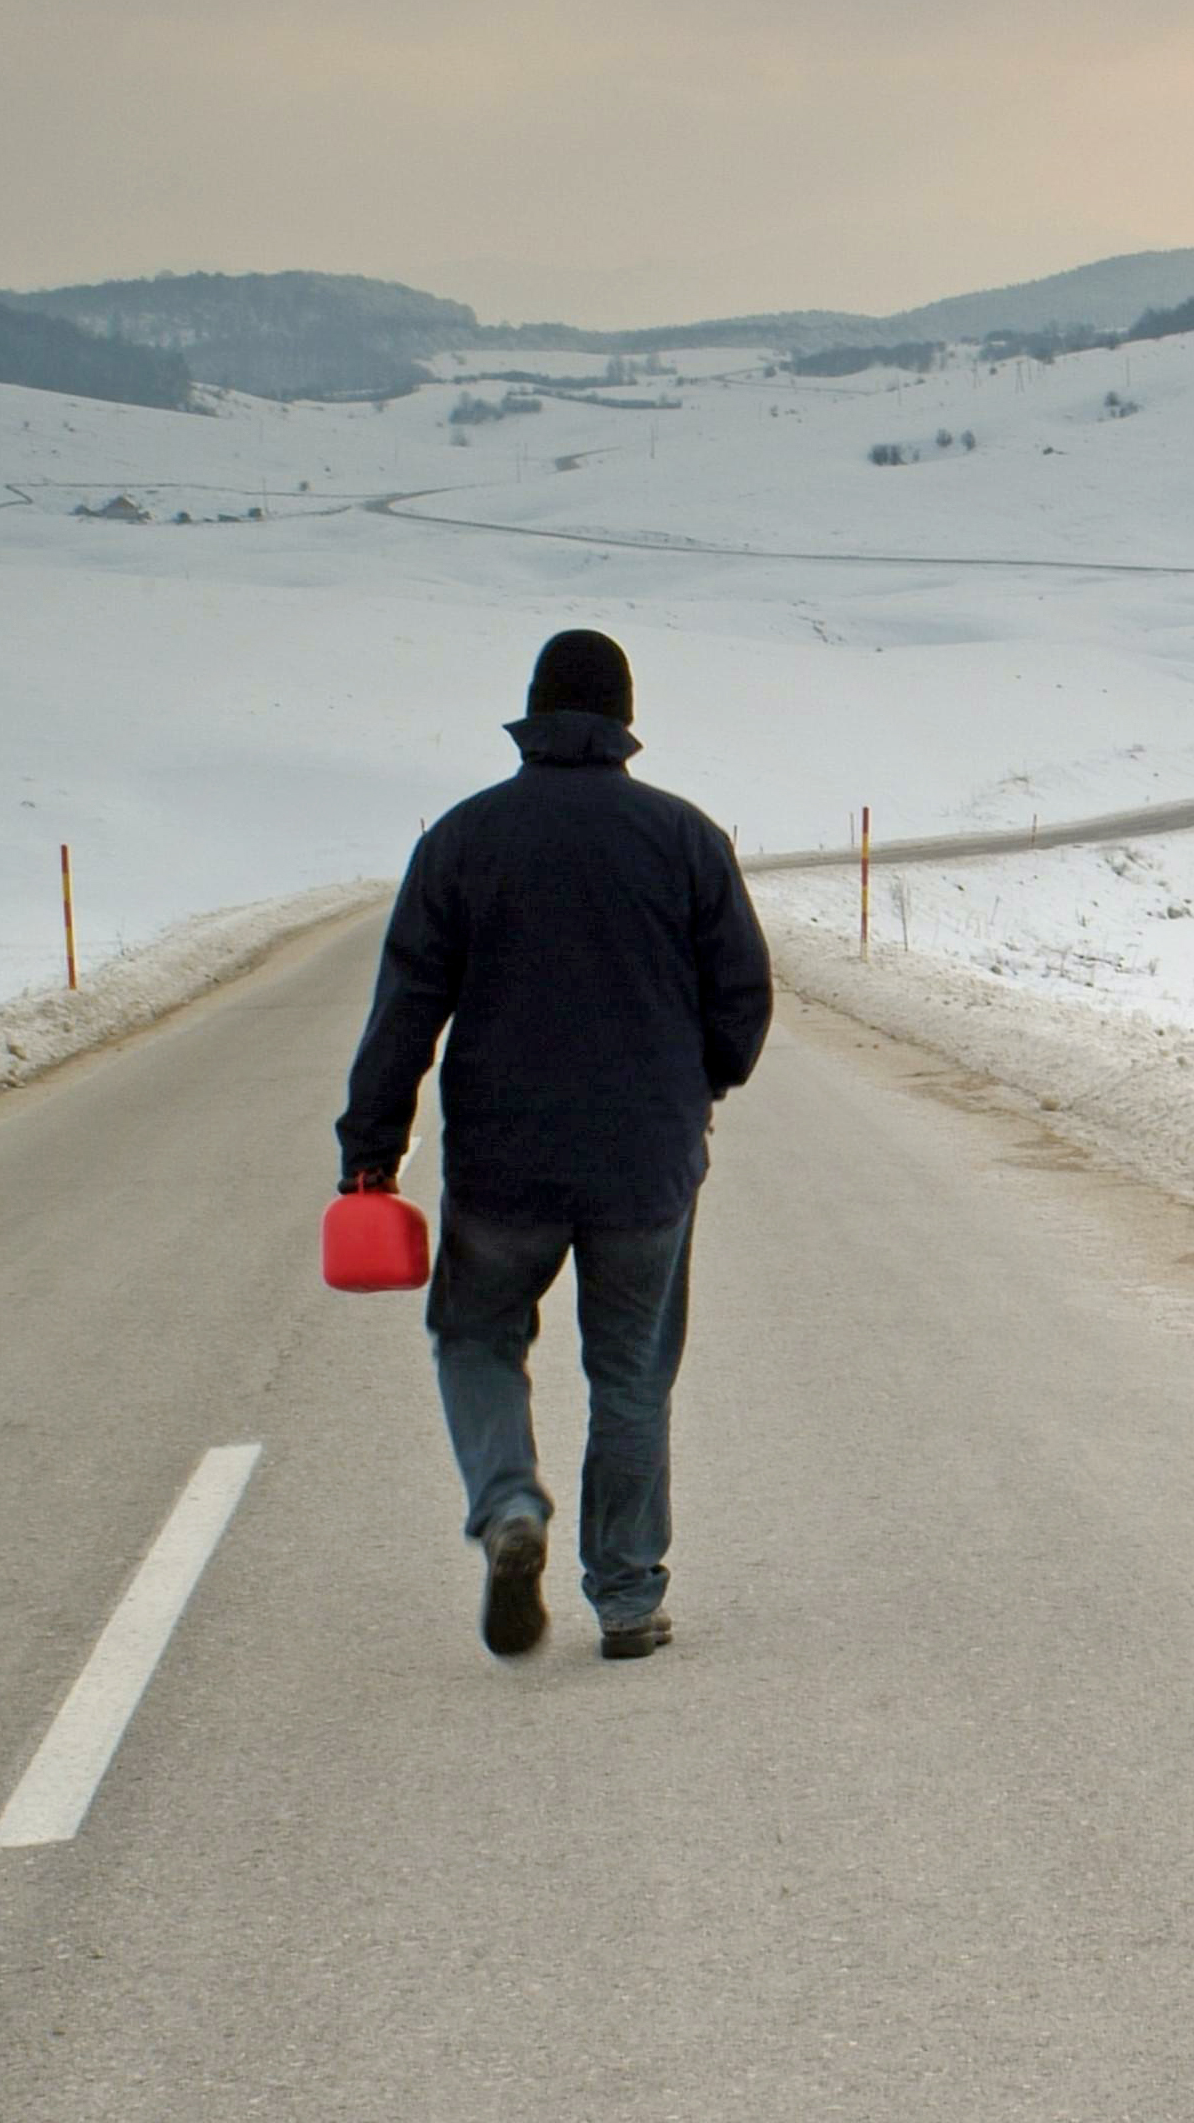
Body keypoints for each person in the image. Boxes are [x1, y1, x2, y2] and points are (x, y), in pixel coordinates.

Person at [336, 629, 772, 1659]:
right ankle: (625, 1596)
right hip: (646, 1167)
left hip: (503, 1165)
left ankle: (507, 1504)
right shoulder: (685, 838)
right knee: (630, 1374)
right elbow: (742, 999)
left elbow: (406, 1009)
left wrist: (372, 1150)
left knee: (478, 1335)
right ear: (623, 721)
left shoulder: (463, 838)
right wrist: (696, 1082)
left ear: (531, 714)